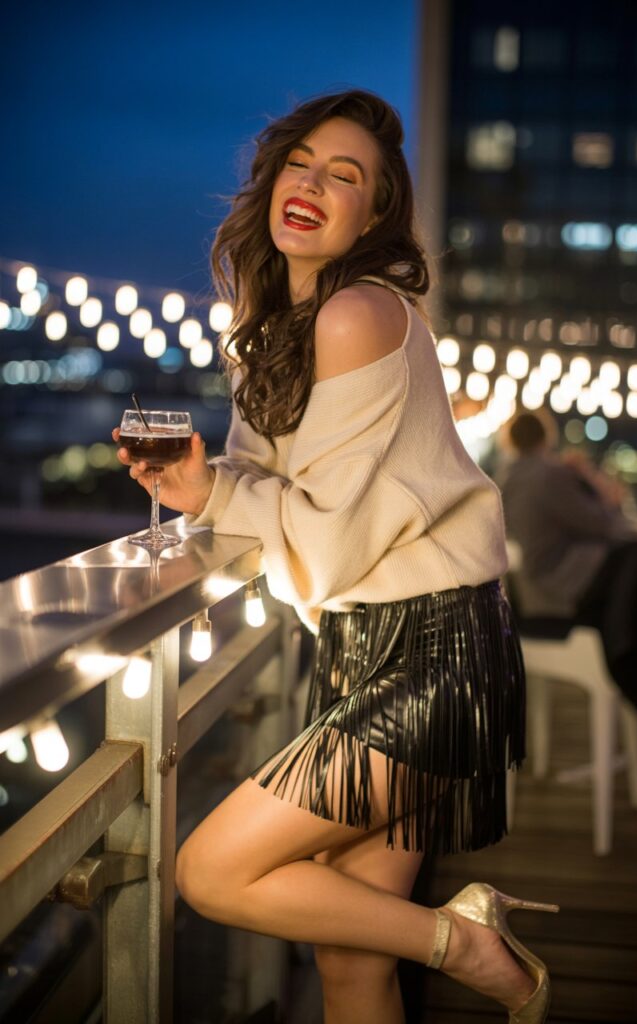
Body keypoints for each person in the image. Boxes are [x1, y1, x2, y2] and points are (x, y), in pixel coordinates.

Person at [114, 90, 557, 1024]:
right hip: (366, 644)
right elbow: (267, 482)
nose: (310, 185)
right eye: (300, 163)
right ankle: (452, 937)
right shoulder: (276, 325)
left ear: (373, 215)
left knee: (211, 868)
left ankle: (465, 943)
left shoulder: (357, 314)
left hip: (431, 653)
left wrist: (220, 495)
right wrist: (207, 484)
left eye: (344, 176)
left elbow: (332, 534)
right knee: (351, 961)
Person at [499, 408, 637, 711]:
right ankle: (624, 655)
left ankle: (625, 649)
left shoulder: (506, 479)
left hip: (530, 593)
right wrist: (589, 478)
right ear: (546, 436)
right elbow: (603, 524)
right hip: (563, 585)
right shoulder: (549, 474)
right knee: (633, 554)